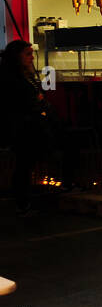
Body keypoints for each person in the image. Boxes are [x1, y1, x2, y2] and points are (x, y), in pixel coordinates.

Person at [0, 40, 55, 216]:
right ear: (17, 57)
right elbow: (18, 102)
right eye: (28, 54)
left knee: (26, 163)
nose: (31, 58)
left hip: (30, 124)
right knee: (24, 163)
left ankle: (25, 199)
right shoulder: (12, 78)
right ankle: (22, 201)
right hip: (21, 126)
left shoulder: (26, 76)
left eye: (32, 54)